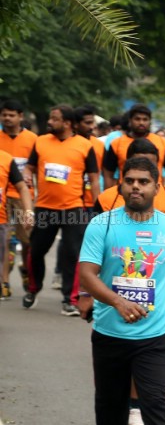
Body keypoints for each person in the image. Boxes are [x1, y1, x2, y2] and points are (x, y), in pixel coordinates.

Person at [78, 157, 165, 425]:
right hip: (109, 330)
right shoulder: (103, 225)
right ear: (120, 185)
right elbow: (87, 274)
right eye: (130, 181)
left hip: (155, 334)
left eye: (143, 181)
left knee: (154, 398)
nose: (136, 186)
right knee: (110, 398)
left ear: (158, 186)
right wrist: (117, 301)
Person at [23, 104, 101, 315]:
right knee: (36, 251)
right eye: (50, 118)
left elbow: (94, 179)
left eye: (54, 119)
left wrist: (97, 208)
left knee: (73, 255)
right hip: (45, 208)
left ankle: (70, 299)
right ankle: (33, 288)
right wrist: (27, 175)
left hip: (73, 208)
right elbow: (29, 167)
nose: (50, 122)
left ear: (67, 123)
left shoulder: (84, 146)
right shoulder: (40, 142)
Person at [0, 98, 37, 296]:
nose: (7, 118)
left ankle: (26, 268)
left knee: (27, 241)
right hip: (4, 199)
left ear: (20, 117)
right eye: (4, 114)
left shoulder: (33, 140)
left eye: (11, 115)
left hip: (25, 197)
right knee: (3, 240)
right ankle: (4, 283)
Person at [103, 104, 165, 194]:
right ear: (130, 121)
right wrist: (107, 196)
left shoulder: (162, 143)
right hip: (126, 196)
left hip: (156, 196)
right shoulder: (116, 144)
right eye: (137, 119)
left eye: (145, 119)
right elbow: (108, 175)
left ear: (150, 122)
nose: (141, 123)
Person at [0, 146, 33, 300]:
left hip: (3, 219)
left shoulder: (5, 159)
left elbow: (22, 187)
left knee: (23, 241)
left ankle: (22, 271)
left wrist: (29, 212)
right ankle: (4, 282)